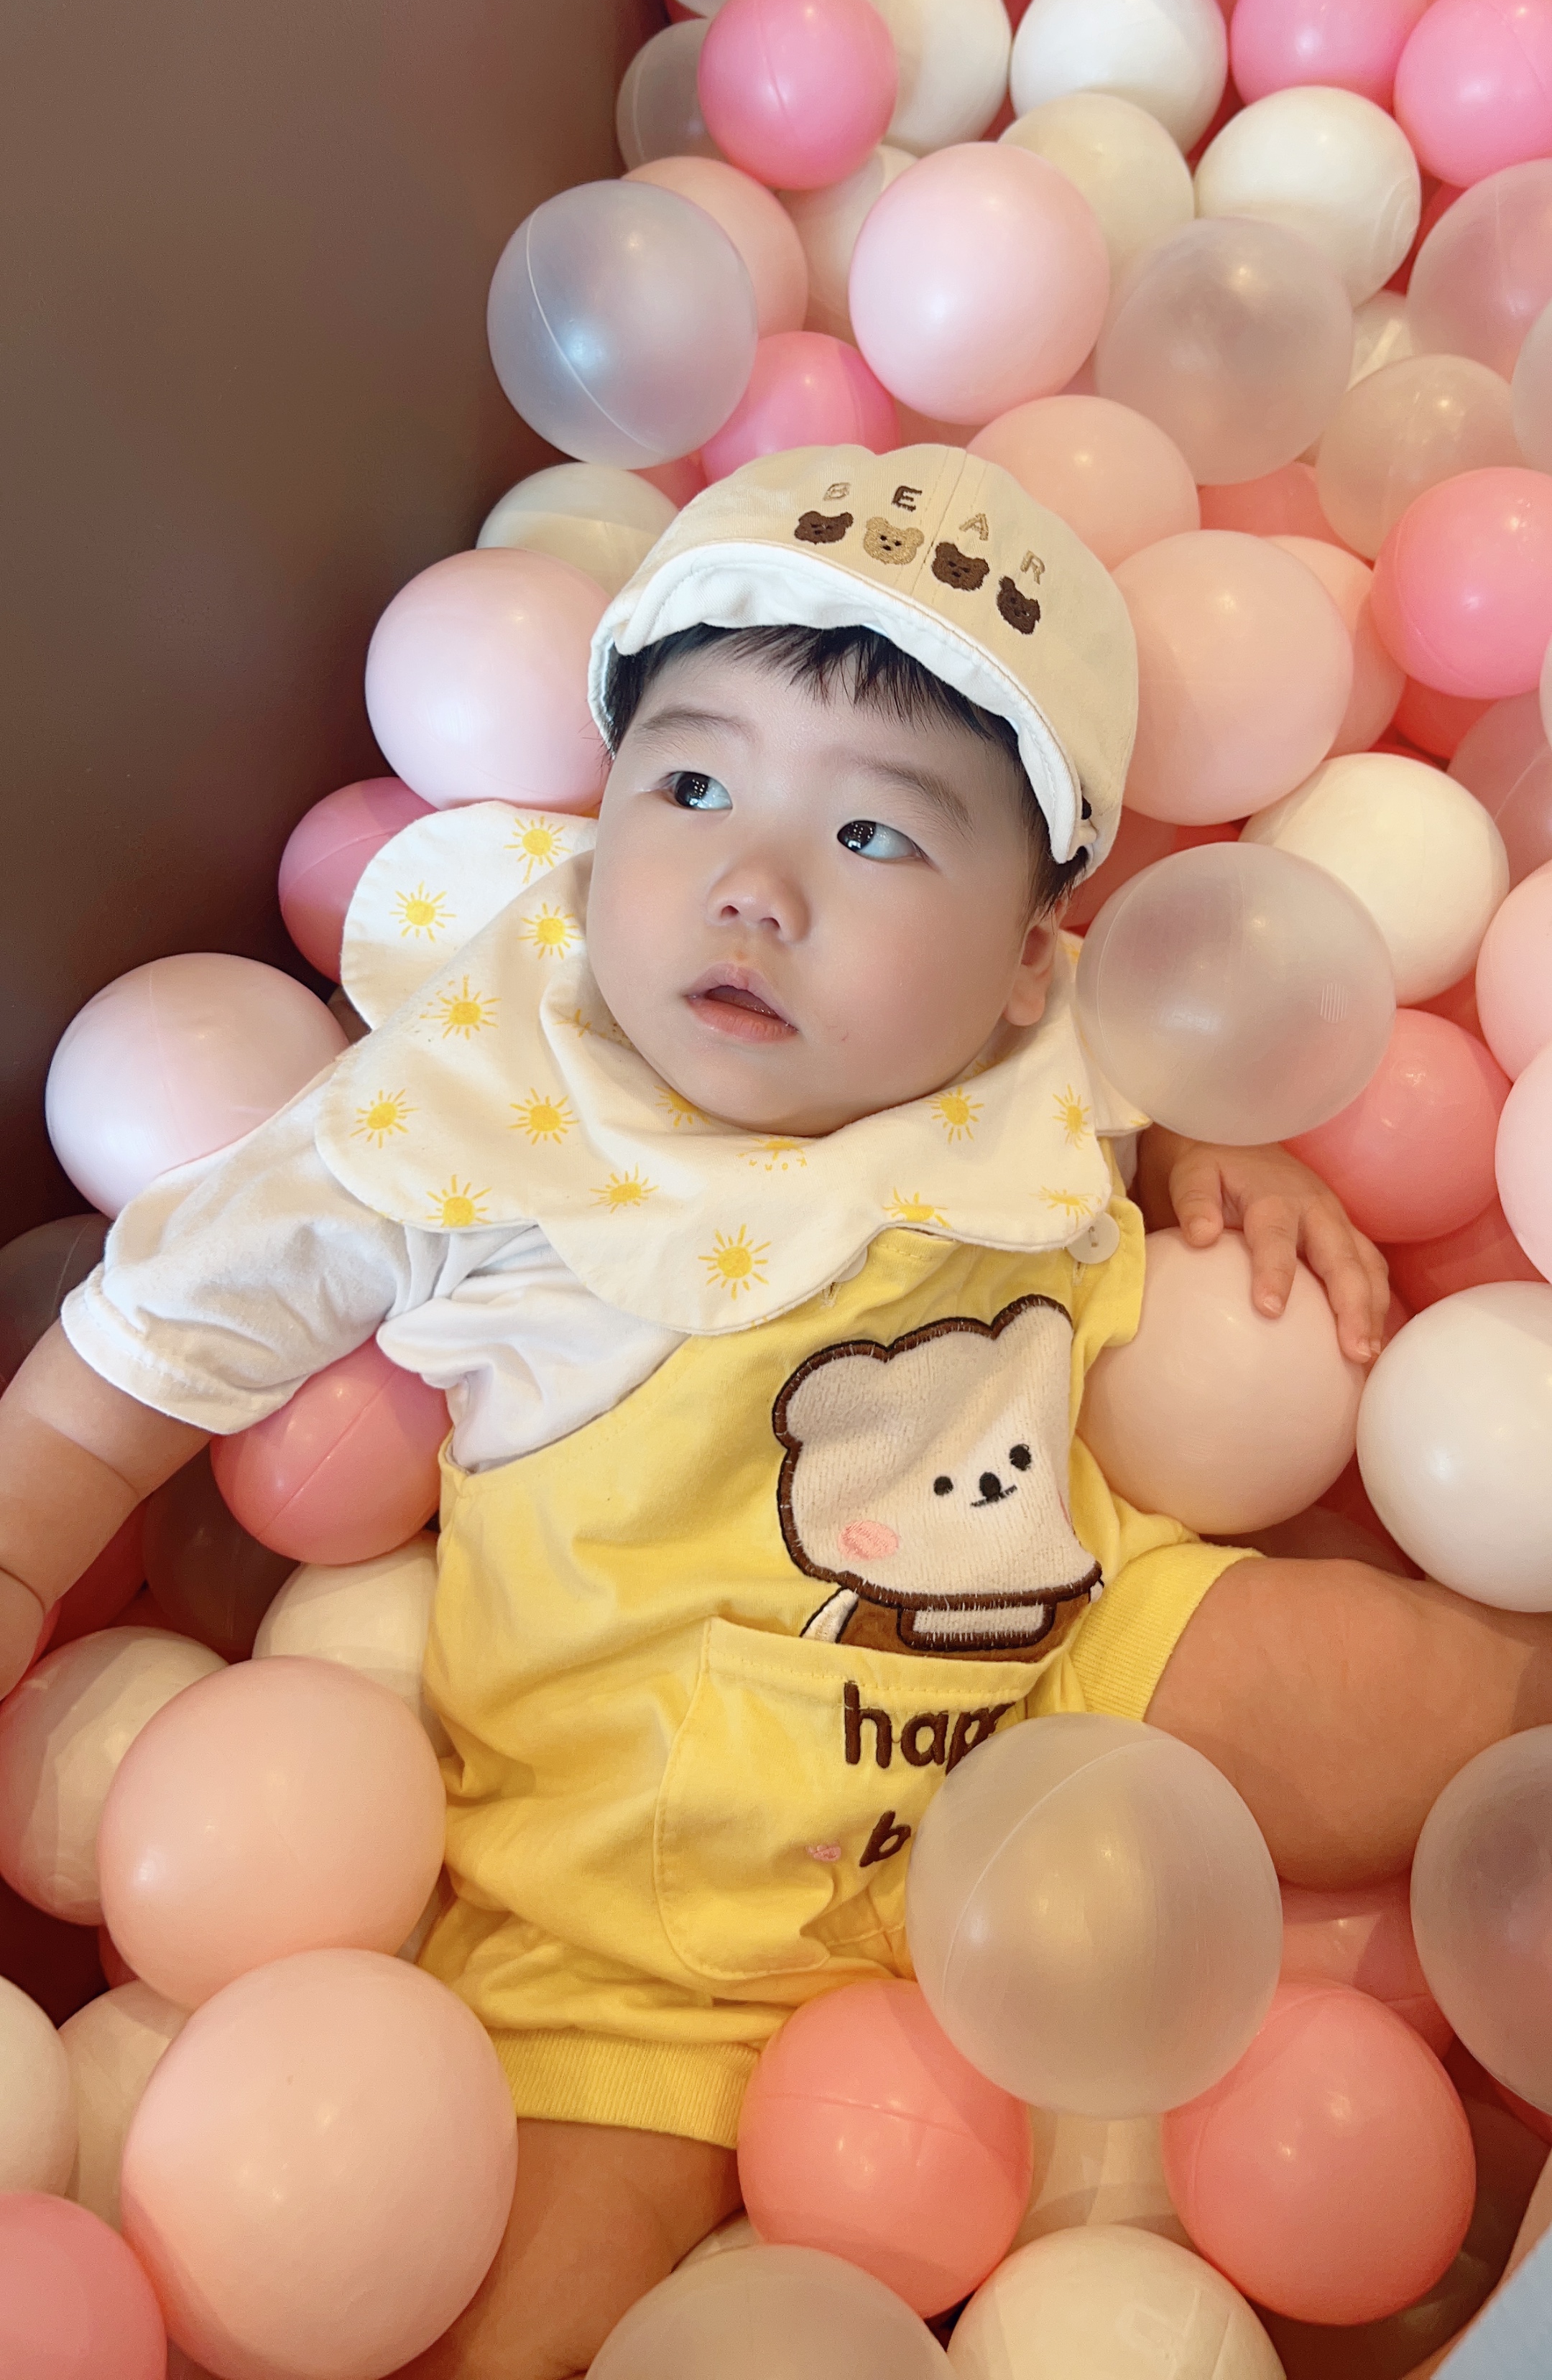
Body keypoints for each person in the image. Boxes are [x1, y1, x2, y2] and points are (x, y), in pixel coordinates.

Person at [0, 446, 1546, 2380]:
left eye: (877, 834)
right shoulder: (483, 1097)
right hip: (635, 1908)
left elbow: (1169, 1066)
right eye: (692, 786)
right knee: (514, 2309)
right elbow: (155, 1331)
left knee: (1439, 1694)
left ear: (1025, 957)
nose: (753, 885)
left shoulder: (1060, 1051)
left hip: (1061, 1677)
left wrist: (1238, 1152)